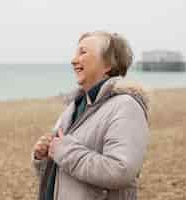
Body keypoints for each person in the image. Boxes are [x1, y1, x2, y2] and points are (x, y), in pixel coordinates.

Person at [31, 31, 150, 200]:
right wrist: (42, 157)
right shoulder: (75, 106)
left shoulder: (126, 106)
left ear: (108, 63)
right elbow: (61, 170)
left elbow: (121, 171)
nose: (73, 60)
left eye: (83, 52)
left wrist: (64, 151)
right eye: (75, 53)